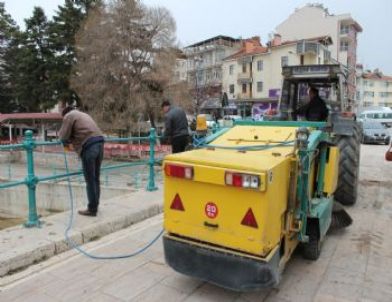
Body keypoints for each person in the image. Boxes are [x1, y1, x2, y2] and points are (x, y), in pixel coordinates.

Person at [59, 106, 104, 217]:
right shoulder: (83, 115)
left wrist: (65, 144)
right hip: (100, 143)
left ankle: (92, 209)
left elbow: (63, 135)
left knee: (90, 180)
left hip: (89, 146)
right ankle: (95, 205)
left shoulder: (69, 116)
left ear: (65, 114)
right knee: (95, 178)